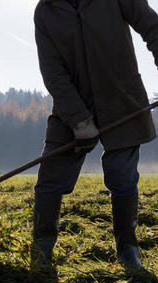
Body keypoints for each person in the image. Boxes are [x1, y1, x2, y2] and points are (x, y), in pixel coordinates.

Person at [32, 0, 158, 267]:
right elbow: (53, 72)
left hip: (123, 100)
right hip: (71, 106)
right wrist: (78, 120)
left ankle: (128, 249)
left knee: (123, 176)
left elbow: (152, 26)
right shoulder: (45, 11)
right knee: (51, 174)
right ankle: (41, 251)